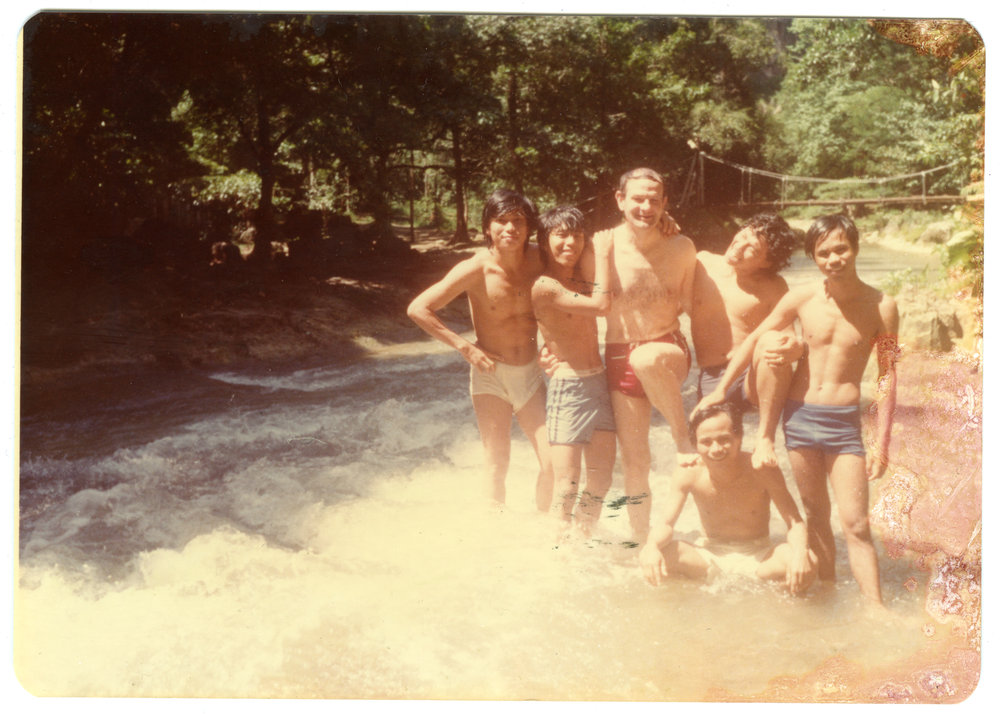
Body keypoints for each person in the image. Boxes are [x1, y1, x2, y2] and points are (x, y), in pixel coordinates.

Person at [694, 214, 898, 604]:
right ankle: (826, 596)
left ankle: (876, 610)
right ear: (814, 257)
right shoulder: (802, 298)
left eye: (841, 249)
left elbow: (889, 377)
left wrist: (882, 441)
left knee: (856, 523)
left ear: (855, 248)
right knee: (816, 515)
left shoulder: (883, 306)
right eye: (824, 253)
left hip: (843, 424)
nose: (834, 258)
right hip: (801, 417)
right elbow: (756, 338)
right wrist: (720, 389)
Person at [407, 188, 553, 511]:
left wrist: (555, 346)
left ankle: (548, 535)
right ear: (487, 227)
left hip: (530, 374)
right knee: (496, 464)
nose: (510, 229)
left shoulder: (541, 260)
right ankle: (495, 539)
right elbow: (418, 308)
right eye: (501, 221)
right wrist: (464, 347)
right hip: (490, 377)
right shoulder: (475, 269)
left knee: (553, 462)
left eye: (518, 221)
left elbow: (582, 253)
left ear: (529, 227)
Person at [601, 167, 697, 543]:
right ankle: (643, 540)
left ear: (665, 204)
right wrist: (551, 347)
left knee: (646, 359)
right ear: (619, 199)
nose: (645, 206)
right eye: (637, 198)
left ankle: (681, 438)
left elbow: (696, 305)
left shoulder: (682, 246)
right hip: (618, 353)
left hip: (666, 348)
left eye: (654, 200)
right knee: (635, 462)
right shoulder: (603, 245)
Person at [638, 403, 816, 594]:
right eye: (706, 442)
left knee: (810, 561)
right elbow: (666, 522)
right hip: (709, 556)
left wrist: (799, 554)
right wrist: (651, 546)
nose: (716, 449)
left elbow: (794, 521)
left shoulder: (762, 469)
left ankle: (783, 615)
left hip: (760, 557)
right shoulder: (688, 472)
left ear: (739, 438)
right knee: (658, 558)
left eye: (724, 439)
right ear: (695, 444)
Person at [690, 213, 802, 469]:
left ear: (767, 262)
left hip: (752, 377)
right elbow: (665, 253)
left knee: (772, 339)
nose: (739, 245)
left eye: (752, 247)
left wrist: (793, 349)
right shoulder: (702, 263)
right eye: (742, 235)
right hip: (713, 375)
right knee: (714, 461)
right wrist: (666, 225)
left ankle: (765, 438)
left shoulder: (774, 286)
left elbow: (789, 338)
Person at [531, 206, 616, 535]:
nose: (571, 242)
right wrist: (604, 253)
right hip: (568, 385)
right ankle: (556, 557)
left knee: (602, 479)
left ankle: (583, 543)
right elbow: (600, 306)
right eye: (561, 235)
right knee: (566, 486)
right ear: (544, 240)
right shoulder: (544, 285)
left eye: (577, 235)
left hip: (599, 381)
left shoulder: (582, 277)